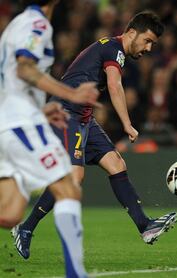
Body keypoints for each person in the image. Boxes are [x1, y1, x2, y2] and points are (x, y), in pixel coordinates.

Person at [12, 11, 177, 260]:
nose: (149, 48)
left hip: (84, 117)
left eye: (153, 43)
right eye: (147, 40)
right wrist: (127, 124)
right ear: (132, 33)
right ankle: (25, 228)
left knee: (116, 163)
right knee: (74, 175)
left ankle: (145, 226)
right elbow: (114, 85)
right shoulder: (114, 50)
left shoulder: (112, 49)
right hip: (67, 113)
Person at [0, 0, 100, 276]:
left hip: (11, 123)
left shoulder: (15, 25)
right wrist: (72, 95)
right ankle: (75, 273)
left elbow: (11, 83)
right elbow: (25, 69)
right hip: (19, 124)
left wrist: (41, 110)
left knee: (9, 214)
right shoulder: (37, 23)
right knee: (68, 187)